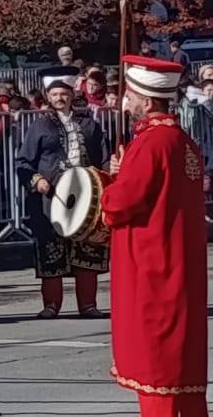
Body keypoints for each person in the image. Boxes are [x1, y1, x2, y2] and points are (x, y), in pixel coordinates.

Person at [103, 56, 208, 417]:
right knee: (183, 371)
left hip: (152, 268)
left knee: (157, 370)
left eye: (129, 95)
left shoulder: (149, 145)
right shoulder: (183, 141)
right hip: (180, 267)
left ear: (146, 101)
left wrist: (107, 185)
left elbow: (121, 204)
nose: (125, 102)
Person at [16, 67, 111, 319]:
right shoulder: (40, 125)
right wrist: (37, 180)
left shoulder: (89, 124)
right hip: (52, 197)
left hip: (86, 196)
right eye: (55, 94)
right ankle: (51, 305)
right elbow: (23, 162)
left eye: (64, 93)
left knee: (86, 250)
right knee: (52, 250)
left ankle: (88, 305)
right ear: (48, 96)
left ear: (72, 95)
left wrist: (107, 180)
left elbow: (103, 159)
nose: (60, 98)